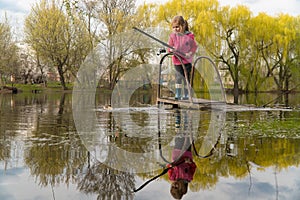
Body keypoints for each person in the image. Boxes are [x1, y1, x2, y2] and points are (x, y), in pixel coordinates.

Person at [167, 110, 197, 199]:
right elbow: (193, 167)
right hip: (187, 152)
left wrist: (171, 165)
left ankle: (178, 117)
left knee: (179, 134)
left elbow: (169, 167)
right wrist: (190, 162)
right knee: (187, 134)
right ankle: (187, 116)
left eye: (173, 186)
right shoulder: (189, 178)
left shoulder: (172, 177)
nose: (174, 185)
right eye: (177, 187)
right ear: (182, 188)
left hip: (177, 152)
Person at [168, 16, 198, 100]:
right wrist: (171, 49)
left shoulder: (189, 36)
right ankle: (178, 93)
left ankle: (186, 94)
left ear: (183, 26)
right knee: (178, 77)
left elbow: (194, 47)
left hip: (187, 60)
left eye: (177, 27)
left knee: (186, 78)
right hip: (177, 60)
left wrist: (190, 53)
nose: (175, 29)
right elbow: (169, 47)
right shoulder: (172, 36)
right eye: (173, 27)